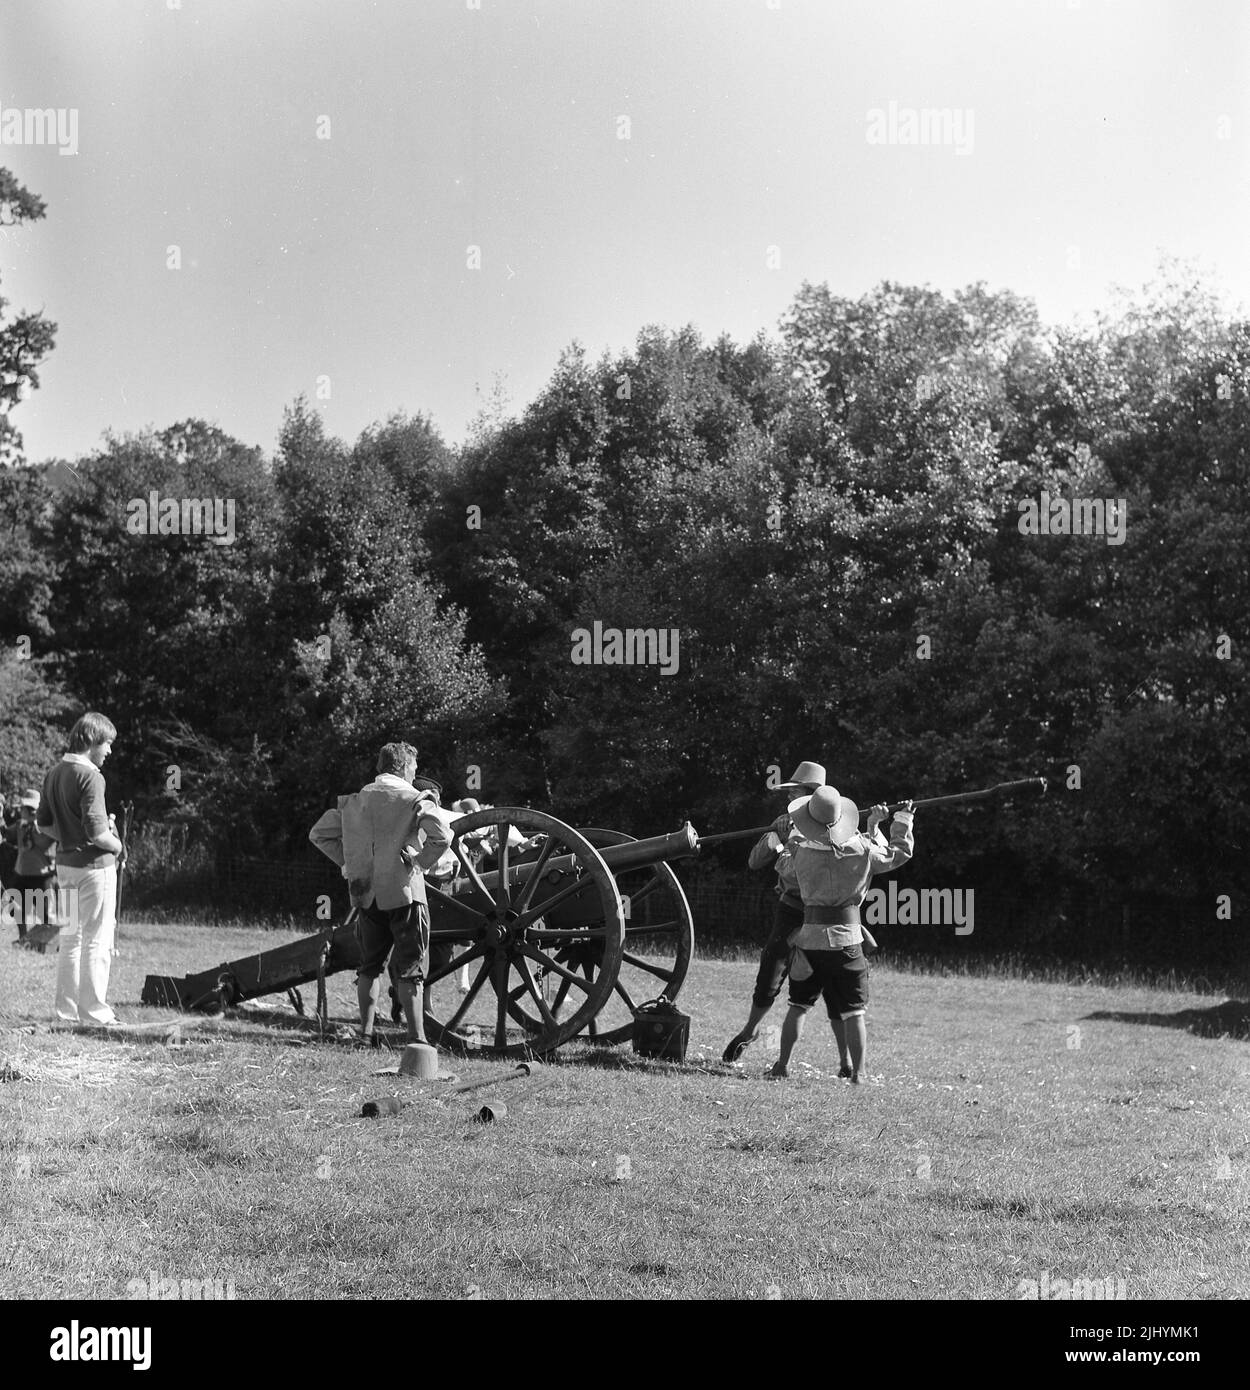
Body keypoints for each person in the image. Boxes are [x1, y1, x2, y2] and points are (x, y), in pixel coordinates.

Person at [308, 743, 452, 1047]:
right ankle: (417, 1039)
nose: (415, 772)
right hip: (404, 893)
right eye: (413, 766)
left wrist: (349, 863)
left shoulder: (356, 801)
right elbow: (442, 836)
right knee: (411, 966)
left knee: (370, 966)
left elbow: (318, 834)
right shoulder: (413, 798)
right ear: (401, 766)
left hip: (365, 893)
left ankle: (366, 1034)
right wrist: (419, 862)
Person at [769, 786, 914, 1082]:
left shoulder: (800, 849)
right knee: (853, 1012)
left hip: (809, 941)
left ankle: (781, 1066)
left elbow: (783, 867)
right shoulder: (861, 848)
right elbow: (896, 854)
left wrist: (785, 839)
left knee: (798, 1008)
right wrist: (899, 820)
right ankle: (858, 1075)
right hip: (847, 941)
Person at [722, 760, 826, 1063]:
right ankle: (750, 1030)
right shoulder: (783, 822)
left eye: (795, 793)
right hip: (790, 909)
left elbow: (798, 873)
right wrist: (774, 838)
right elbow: (754, 862)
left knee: (813, 986)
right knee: (770, 972)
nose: (789, 798)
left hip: (821, 916)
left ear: (812, 796)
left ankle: (845, 1064)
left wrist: (785, 847)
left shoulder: (833, 826)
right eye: (790, 792)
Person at [37, 712, 125, 1026]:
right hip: (94, 869)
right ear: (91, 741)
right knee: (97, 940)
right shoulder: (91, 777)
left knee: (71, 938)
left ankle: (67, 1012)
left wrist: (69, 838)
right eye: (107, 744)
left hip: (65, 867)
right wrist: (118, 846)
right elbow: (97, 834)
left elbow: (43, 824)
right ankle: (95, 1013)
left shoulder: (55, 771)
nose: (110, 751)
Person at [4, 790, 58, 944]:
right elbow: (7, 833)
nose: (20, 811)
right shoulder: (20, 825)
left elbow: (45, 842)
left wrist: (35, 825)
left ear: (32, 810)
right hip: (21, 873)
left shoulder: (45, 826)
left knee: (45, 913)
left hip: (42, 876)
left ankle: (44, 942)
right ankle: (23, 937)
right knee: (16, 908)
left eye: (23, 809)